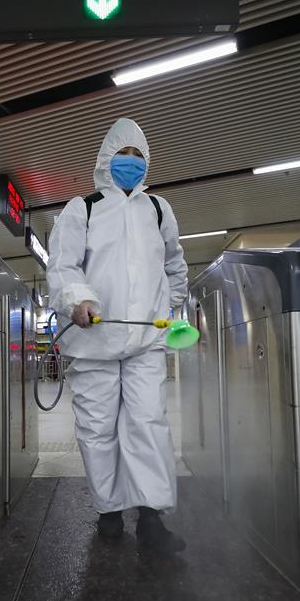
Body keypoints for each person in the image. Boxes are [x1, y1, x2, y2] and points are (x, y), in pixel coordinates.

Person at [46, 118, 189, 552]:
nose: (130, 163)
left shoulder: (158, 209)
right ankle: (109, 511)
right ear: (105, 160)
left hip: (146, 340)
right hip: (94, 341)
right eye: (122, 156)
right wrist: (79, 300)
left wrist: (166, 307)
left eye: (137, 157)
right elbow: (63, 266)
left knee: (149, 422)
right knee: (97, 428)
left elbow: (174, 265)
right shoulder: (82, 208)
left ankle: (150, 516)